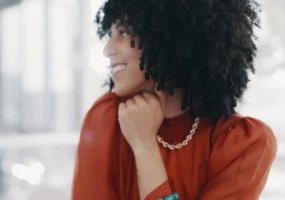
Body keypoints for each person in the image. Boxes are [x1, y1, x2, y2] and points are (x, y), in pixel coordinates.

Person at [72, 0, 277, 199]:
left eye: (124, 32)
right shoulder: (108, 119)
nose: (107, 49)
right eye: (110, 33)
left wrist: (144, 146)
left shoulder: (243, 143)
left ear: (170, 35)